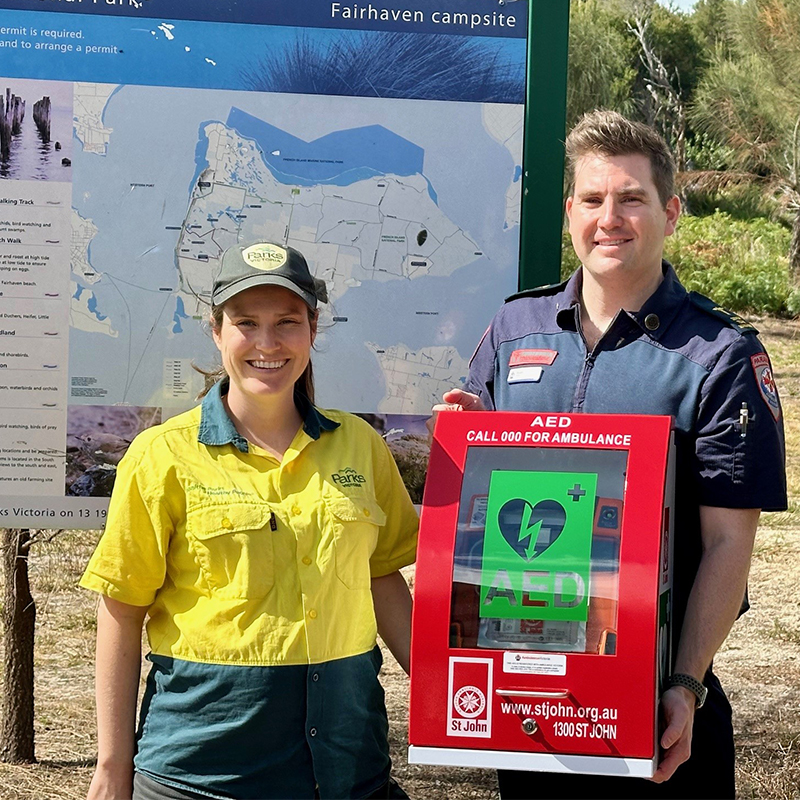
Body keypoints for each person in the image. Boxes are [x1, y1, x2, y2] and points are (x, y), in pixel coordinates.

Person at [432, 110, 786, 799]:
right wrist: (469, 443)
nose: (610, 217)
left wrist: (684, 682)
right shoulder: (514, 327)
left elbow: (726, 544)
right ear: (570, 211)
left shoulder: (719, 354)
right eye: (593, 200)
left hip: (658, 710)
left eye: (632, 198)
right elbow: (471, 511)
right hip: (527, 702)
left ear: (671, 211)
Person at [81, 241, 418, 800]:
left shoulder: (360, 446)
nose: (268, 343)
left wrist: (449, 701)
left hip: (345, 770)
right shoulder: (161, 455)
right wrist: (113, 766)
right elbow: (121, 606)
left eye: (287, 321)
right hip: (202, 776)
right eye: (246, 323)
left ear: (313, 328)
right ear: (217, 331)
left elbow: (384, 578)